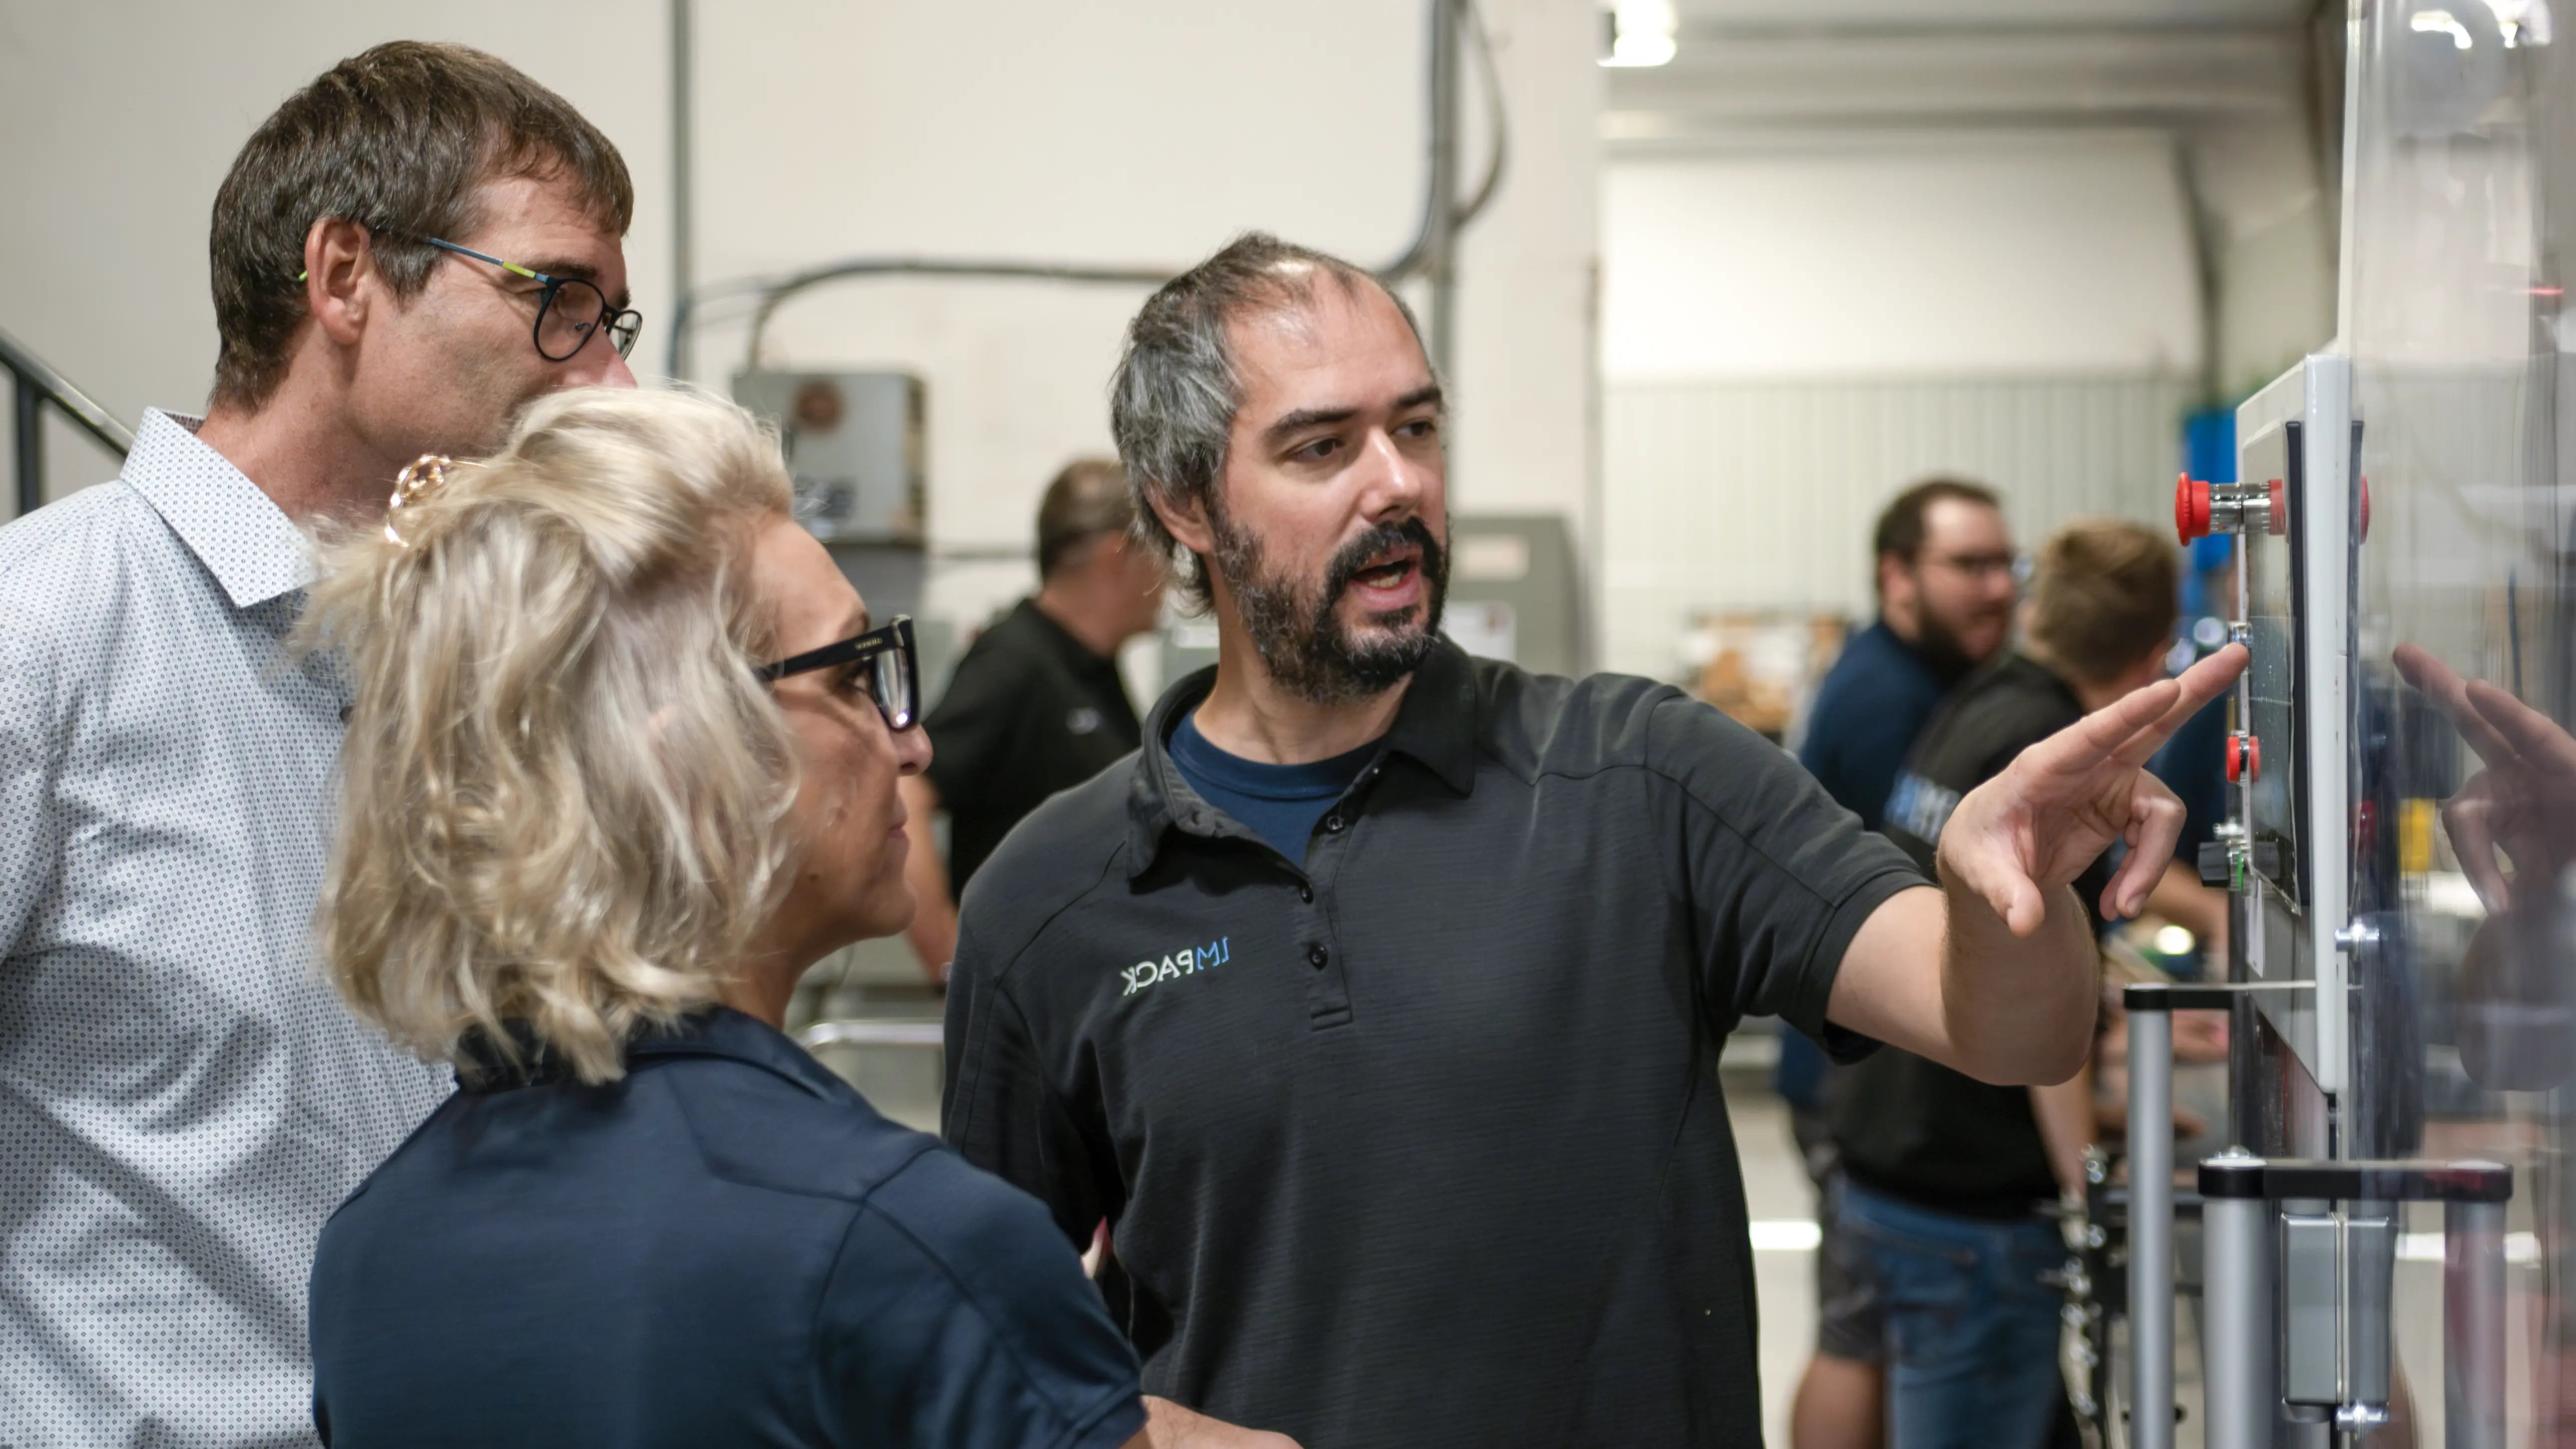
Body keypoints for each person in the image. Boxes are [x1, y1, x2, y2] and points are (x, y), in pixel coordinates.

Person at [941, 232, 2245, 1449]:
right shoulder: (1053, 902)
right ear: (1182, 501)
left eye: (1414, 426)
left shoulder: (1641, 776)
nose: (1395, 482)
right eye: (1320, 446)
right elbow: (966, 1337)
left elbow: (2003, 1026)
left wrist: (2014, 892)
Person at [301, 388, 1292, 1449]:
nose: (908, 745)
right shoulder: (906, 1243)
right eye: (855, 673)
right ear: (694, 762)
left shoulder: (373, 1250)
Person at [0, 43, 637, 1448]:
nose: (603, 377)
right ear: (346, 274)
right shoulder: (38, 639)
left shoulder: (468, 672)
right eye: (560, 302)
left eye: (615, 322)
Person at [1830, 519, 2182, 1449]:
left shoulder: (1986, 702)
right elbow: (2036, 1017)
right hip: (1965, 1197)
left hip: (1883, 1135)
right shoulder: (2055, 757)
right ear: (2155, 655)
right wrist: (2088, 1199)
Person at [1783, 475, 2018, 1449]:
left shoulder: (1909, 677)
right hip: (1856, 1071)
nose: (1998, 587)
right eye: (1967, 565)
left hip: (1850, 1065)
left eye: (2007, 563)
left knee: (1859, 1325)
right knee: (1860, 1326)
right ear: (1896, 575)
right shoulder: (1888, 701)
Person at [902, 458, 1167, 979]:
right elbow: (906, 794)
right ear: (1118, 554)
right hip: (1029, 1025)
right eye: (1160, 550)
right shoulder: (1015, 661)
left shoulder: (1090, 666)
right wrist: (954, 973)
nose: (1171, 578)